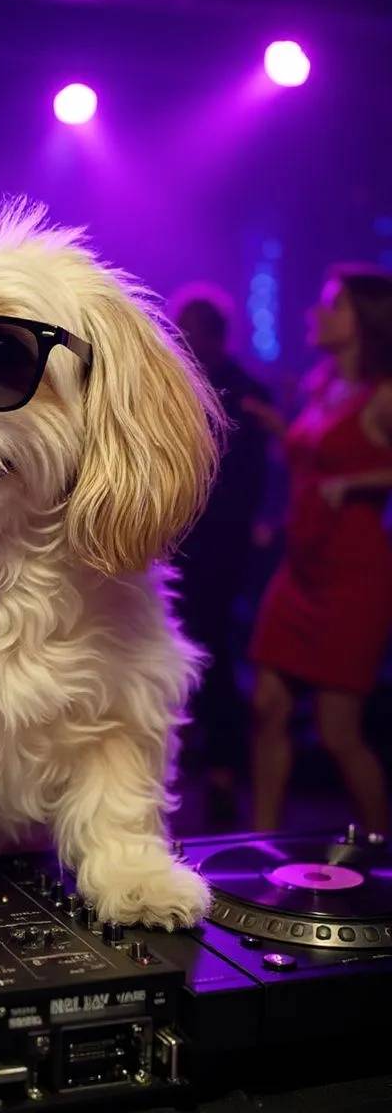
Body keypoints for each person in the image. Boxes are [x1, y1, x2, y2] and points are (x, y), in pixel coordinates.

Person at [249, 265, 392, 834]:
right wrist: (276, 429)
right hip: (299, 569)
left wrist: (358, 484)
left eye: (334, 305)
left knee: (338, 732)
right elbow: (314, 459)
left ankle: (383, 854)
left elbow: (352, 467)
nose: (317, 313)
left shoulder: (385, 396)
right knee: (267, 706)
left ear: (366, 320)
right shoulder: (323, 384)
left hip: (353, 576)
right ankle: (259, 843)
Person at [169, 285, 270, 826]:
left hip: (219, 546)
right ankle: (196, 764)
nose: (179, 338)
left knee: (212, 655)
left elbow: (249, 481)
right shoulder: (177, 387)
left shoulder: (246, 391)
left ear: (212, 334)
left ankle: (224, 772)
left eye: (188, 329)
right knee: (181, 651)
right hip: (179, 543)